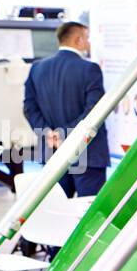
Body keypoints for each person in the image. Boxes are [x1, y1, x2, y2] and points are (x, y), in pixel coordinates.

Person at [23, 17, 110, 197]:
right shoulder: (89, 69)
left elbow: (29, 107)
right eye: (86, 38)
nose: (88, 43)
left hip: (53, 152)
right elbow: (94, 111)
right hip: (87, 153)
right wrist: (64, 132)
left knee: (59, 214)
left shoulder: (37, 68)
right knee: (88, 215)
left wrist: (48, 132)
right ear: (78, 40)